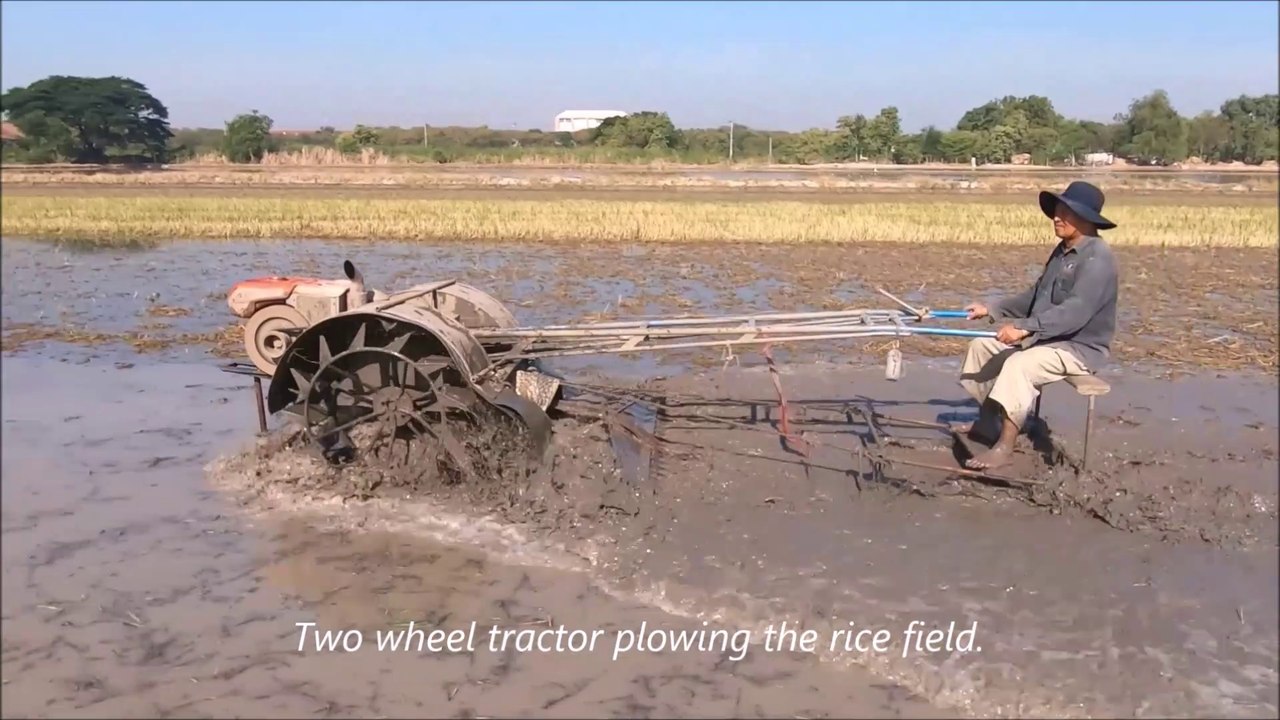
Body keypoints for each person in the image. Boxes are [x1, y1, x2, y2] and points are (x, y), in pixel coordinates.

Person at [957, 181, 1120, 471]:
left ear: (1086, 218)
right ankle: (986, 422)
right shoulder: (1063, 251)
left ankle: (1005, 446)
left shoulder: (1098, 259)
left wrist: (1025, 328)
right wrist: (993, 309)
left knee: (1019, 364)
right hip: (1047, 338)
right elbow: (1035, 296)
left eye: (1066, 212)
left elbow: (1076, 312)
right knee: (982, 346)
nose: (1057, 217)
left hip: (1077, 348)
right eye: (1057, 211)